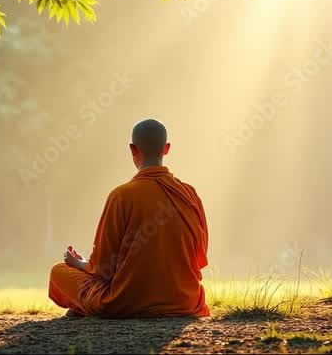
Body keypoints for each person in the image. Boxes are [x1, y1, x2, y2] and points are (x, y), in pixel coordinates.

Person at [48, 119, 210, 318]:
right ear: (166, 149)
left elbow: (103, 267)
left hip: (127, 304)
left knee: (58, 272)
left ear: (133, 150)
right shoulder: (189, 194)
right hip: (185, 302)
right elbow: (199, 256)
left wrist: (80, 264)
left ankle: (84, 307)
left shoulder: (121, 196)